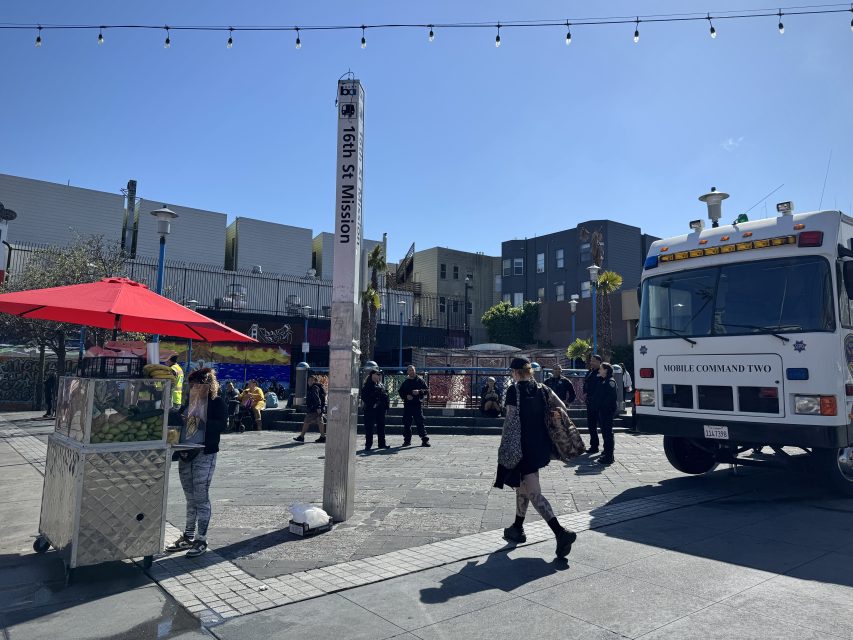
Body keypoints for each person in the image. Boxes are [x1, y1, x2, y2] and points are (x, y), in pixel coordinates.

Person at [495, 357, 577, 559]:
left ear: (515, 372)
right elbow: (562, 407)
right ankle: (517, 527)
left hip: (523, 449)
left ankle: (561, 532)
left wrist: (504, 446)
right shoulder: (542, 388)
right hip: (540, 447)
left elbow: (510, 420)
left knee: (534, 493)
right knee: (522, 486)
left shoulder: (515, 390)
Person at [165, 367, 226, 558]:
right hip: (186, 453)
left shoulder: (216, 403)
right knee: (189, 497)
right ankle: (189, 535)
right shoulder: (189, 402)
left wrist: (201, 420)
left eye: (195, 385)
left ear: (206, 385)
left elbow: (221, 425)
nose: (192, 389)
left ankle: (201, 538)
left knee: (201, 496)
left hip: (203, 453)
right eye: (190, 386)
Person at [399, 365, 430, 447]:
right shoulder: (405, 382)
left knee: (420, 422)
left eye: (412, 370)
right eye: (409, 370)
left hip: (417, 405)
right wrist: (406, 396)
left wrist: (419, 391)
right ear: (407, 372)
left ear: (415, 370)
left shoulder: (420, 380)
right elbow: (401, 392)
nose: (411, 372)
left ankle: (424, 440)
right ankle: (407, 440)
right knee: (407, 423)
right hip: (408, 405)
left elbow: (427, 390)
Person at [361, 368, 390, 451]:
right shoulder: (367, 385)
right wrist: (373, 403)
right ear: (372, 375)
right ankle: (368, 445)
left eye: (379, 374)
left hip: (381, 410)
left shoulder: (381, 385)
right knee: (369, 427)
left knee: (381, 427)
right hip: (370, 409)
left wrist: (386, 406)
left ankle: (382, 444)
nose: (379, 376)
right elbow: (364, 397)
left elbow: (386, 396)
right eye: (377, 374)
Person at [597, 362, 618, 465]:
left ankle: (609, 457)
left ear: (606, 370)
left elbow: (611, 398)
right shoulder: (604, 380)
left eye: (601, 368)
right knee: (605, 433)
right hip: (603, 410)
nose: (599, 370)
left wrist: (603, 407)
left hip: (607, 411)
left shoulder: (610, 381)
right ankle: (606, 453)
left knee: (608, 433)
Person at [294, 374, 326, 442]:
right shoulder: (317, 387)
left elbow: (317, 398)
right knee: (320, 422)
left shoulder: (314, 387)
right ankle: (323, 437)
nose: (309, 382)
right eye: (308, 380)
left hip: (314, 408)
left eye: (311, 380)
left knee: (306, 421)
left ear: (315, 381)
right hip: (316, 408)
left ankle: (301, 437)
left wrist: (318, 407)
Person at [583, 354, 604, 455]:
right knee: (591, 426)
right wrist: (585, 393)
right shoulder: (590, 372)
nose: (592, 362)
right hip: (590, 403)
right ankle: (594, 446)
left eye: (594, 361)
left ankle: (607, 448)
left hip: (599, 404)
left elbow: (600, 389)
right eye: (591, 360)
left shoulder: (601, 373)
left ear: (599, 362)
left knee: (603, 426)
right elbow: (586, 384)